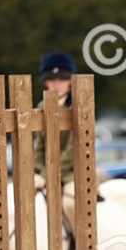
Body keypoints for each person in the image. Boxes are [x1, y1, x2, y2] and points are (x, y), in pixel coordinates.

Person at [33, 51, 76, 199]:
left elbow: (73, 149)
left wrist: (47, 175)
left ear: (70, 81)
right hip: (45, 172)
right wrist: (39, 171)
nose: (57, 84)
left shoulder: (78, 105)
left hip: (73, 174)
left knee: (70, 203)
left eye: (62, 79)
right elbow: (39, 147)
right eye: (52, 79)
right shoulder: (41, 106)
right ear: (46, 82)